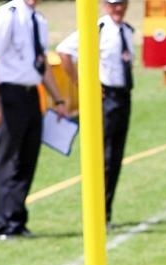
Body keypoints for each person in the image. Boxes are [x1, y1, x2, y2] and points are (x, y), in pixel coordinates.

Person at [0, 0, 69, 240]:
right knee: (6, 158)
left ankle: (16, 220)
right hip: (10, 92)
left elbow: (42, 65)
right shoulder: (7, 15)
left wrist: (59, 100)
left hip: (32, 93)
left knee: (27, 158)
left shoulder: (39, 20)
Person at [56, 0, 134, 226]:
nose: (118, 8)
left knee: (116, 156)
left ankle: (106, 211)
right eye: (113, 5)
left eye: (122, 4)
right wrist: (83, 84)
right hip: (106, 97)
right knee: (105, 157)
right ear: (104, 6)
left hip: (123, 96)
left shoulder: (126, 31)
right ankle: (98, 213)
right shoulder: (97, 28)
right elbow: (64, 51)